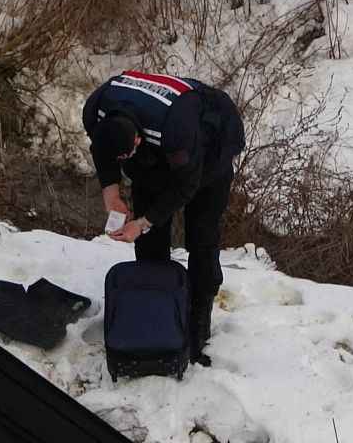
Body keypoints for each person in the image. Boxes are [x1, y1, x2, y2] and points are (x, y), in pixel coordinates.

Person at [83, 70, 245, 367]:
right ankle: (154, 307)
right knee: (149, 240)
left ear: (136, 138)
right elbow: (101, 151)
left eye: (126, 155)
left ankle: (198, 319)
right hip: (158, 149)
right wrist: (111, 192)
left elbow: (186, 186)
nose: (122, 162)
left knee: (201, 235)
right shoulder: (96, 110)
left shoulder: (176, 130)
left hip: (210, 143)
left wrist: (142, 221)